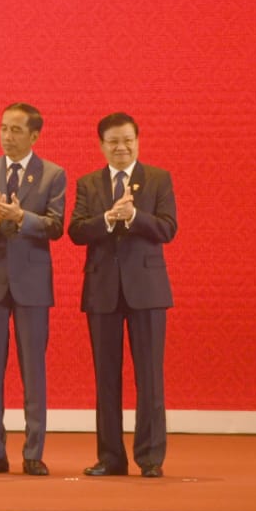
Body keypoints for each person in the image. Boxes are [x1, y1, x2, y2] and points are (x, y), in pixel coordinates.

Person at [68, 112, 177, 479]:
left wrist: (133, 217)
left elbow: (167, 228)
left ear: (138, 140)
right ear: (101, 145)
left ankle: (150, 458)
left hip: (147, 291)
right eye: (113, 141)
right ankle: (110, 458)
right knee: (106, 378)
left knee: (149, 377)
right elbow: (77, 231)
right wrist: (109, 220)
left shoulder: (158, 179)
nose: (121, 147)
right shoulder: (88, 183)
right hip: (102, 292)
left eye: (128, 140)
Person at [0, 103, 66, 477]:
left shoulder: (53, 174)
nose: (7, 136)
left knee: (33, 370)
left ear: (34, 135)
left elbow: (56, 226)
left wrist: (21, 217)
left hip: (33, 282)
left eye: (16, 130)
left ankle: (33, 452)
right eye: (3, 128)